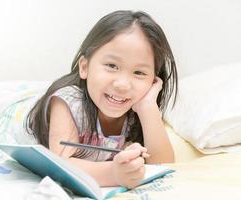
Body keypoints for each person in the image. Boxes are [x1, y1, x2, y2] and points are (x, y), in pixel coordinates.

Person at [26, 10, 178, 189]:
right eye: (112, 66)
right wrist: (113, 174)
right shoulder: (68, 102)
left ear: (153, 80)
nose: (122, 84)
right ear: (85, 67)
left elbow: (164, 164)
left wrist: (148, 107)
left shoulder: (135, 108)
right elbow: (60, 164)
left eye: (139, 72)